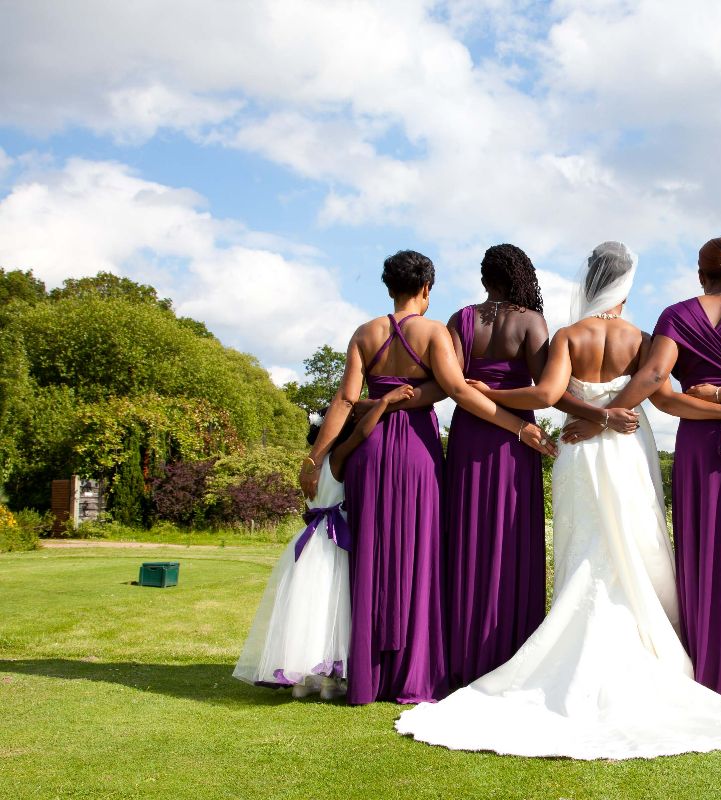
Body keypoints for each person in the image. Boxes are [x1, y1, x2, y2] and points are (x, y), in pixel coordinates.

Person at [394, 241, 721, 759]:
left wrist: (513, 397)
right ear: (625, 286)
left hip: (579, 447)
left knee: (582, 546)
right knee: (637, 541)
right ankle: (648, 645)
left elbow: (548, 395)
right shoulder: (642, 338)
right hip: (626, 448)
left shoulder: (569, 336)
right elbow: (661, 395)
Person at [300, 249, 554, 706]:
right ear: (425, 288)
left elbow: (342, 399)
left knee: (371, 553)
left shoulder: (365, 332)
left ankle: (368, 675)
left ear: (388, 285)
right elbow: (455, 389)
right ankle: (413, 673)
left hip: (370, 447)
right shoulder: (435, 331)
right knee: (420, 556)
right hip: (417, 449)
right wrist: (518, 425)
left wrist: (316, 458)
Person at [596, 237, 721, 707]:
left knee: (704, 552)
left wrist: (601, 417)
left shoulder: (675, 316)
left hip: (700, 442)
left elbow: (654, 384)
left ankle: (710, 674)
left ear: (700, 272)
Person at [234, 389, 407, 699]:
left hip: (310, 538)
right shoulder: (336, 459)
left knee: (307, 606)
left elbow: (307, 509)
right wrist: (383, 403)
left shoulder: (309, 471)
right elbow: (363, 433)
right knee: (333, 604)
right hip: (332, 538)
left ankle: (301, 672)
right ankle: (330, 674)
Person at [443, 244, 549, 689]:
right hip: (515, 439)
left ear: (485, 277)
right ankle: (512, 651)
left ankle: (462, 653)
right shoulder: (530, 321)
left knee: (466, 537)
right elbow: (548, 388)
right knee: (510, 539)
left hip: (470, 434)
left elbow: (454, 387)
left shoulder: (460, 320)